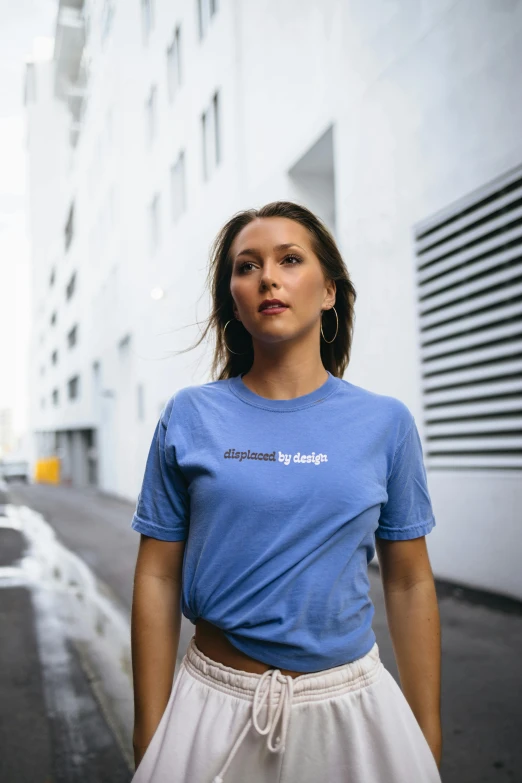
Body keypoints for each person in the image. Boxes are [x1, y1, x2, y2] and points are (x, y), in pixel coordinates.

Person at [129, 201, 443, 783]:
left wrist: (426, 734)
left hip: (352, 709)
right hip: (211, 707)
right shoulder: (190, 415)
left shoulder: (385, 422)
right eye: (246, 267)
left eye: (290, 260)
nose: (267, 277)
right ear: (234, 302)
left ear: (328, 291)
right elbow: (157, 575)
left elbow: (409, 580)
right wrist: (150, 728)